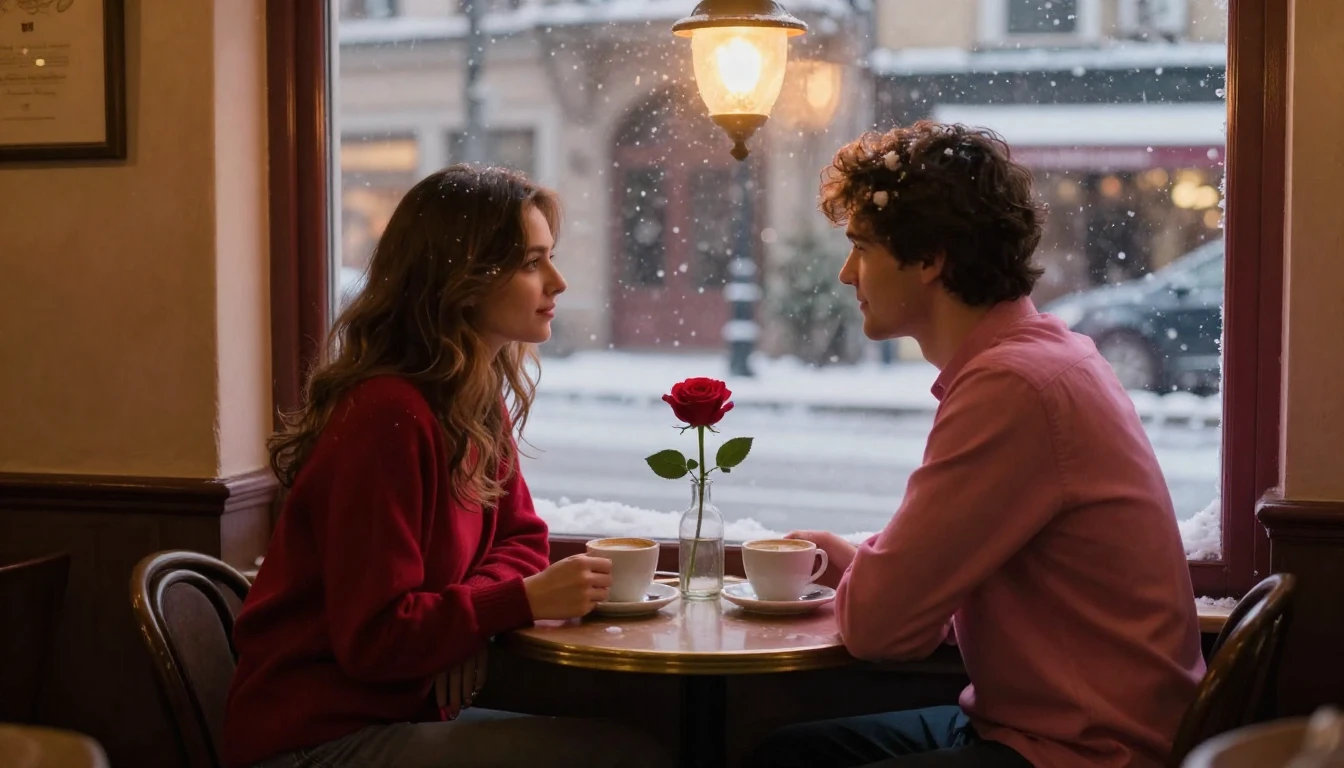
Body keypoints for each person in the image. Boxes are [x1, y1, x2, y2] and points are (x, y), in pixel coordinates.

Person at [745, 122, 1205, 768]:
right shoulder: (1043, 360)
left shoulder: (1014, 388)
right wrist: (859, 562)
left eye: (863, 247)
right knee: (789, 753)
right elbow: (926, 585)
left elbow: (882, 629)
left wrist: (869, 581)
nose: (848, 272)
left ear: (930, 259)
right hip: (1055, 727)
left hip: (1087, 751)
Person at [223, 165, 672, 768]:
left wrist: (468, 620)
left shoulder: (471, 400)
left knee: (636, 736)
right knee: (629, 756)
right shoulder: (388, 416)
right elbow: (377, 640)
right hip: (313, 740)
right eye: (532, 262)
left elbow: (523, 538)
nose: (558, 282)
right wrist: (511, 605)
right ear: (462, 278)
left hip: (396, 712)